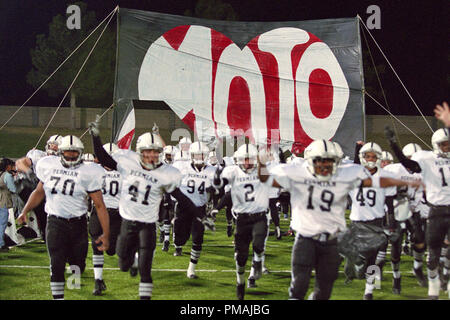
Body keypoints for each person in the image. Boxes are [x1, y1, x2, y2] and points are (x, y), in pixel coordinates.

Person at [258, 139, 422, 300]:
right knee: (298, 288)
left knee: (324, 292)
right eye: (319, 161)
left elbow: (374, 175)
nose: (324, 165)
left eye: (329, 161)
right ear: (309, 160)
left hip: (332, 242)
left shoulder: (348, 171)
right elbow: (266, 180)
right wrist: (262, 165)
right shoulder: (296, 171)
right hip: (306, 240)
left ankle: (369, 284)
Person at [89, 120, 198, 300]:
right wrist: (95, 136)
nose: (151, 156)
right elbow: (103, 157)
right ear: (139, 152)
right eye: (147, 152)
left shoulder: (165, 173)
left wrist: (201, 215)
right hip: (127, 220)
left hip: (147, 224)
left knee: (146, 271)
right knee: (122, 263)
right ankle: (131, 261)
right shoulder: (126, 164)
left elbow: (181, 197)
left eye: (155, 152)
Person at [17, 135, 110, 300]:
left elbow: (100, 205)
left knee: (77, 266)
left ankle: (73, 278)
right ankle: (58, 297)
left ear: (80, 153)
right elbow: (39, 192)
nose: (72, 155)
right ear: (60, 152)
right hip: (55, 222)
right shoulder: (48, 165)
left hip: (78, 223)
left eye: (75, 152)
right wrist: (25, 211)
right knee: (57, 263)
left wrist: (106, 233)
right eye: (68, 151)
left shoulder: (88, 171)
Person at [386, 126, 450, 299]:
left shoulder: (428, 162)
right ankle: (405, 280)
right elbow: (407, 165)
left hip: (424, 209)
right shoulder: (417, 162)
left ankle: (433, 275)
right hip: (412, 209)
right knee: (402, 247)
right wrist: (394, 146)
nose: (447, 148)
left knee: (432, 246)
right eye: (444, 145)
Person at [213, 143, 274, 300]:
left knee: (259, 245)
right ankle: (240, 283)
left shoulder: (263, 171)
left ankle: (257, 265)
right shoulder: (233, 171)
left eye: (250, 159)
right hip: (242, 218)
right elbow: (224, 188)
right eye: (244, 159)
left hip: (259, 216)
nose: (247, 163)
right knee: (241, 257)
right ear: (239, 160)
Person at [348, 142, 396, 300]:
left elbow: (389, 203)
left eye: (373, 156)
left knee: (374, 258)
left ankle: (369, 291)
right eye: (367, 156)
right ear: (362, 157)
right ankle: (366, 274)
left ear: (378, 158)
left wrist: (391, 224)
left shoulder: (385, 176)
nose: (370, 159)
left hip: (375, 221)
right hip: (357, 222)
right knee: (359, 266)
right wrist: (356, 149)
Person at [172, 141, 216, 278]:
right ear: (191, 155)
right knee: (181, 239)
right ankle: (177, 242)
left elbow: (217, 190)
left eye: (202, 155)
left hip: (200, 209)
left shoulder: (212, 171)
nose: (199, 157)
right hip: (183, 208)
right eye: (197, 155)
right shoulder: (181, 168)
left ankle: (191, 269)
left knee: (198, 238)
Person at [89, 143, 123, 296]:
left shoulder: (124, 172)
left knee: (111, 250)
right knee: (97, 245)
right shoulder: (94, 170)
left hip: (116, 214)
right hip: (98, 211)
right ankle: (98, 280)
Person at [15, 135, 63, 241]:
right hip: (37, 189)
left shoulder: (63, 161)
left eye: (55, 146)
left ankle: (46, 233)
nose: (52, 147)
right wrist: (30, 173)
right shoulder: (38, 155)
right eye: (51, 144)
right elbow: (19, 163)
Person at [0, 158, 14, 251]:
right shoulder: (7, 175)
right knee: (2, 223)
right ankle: (0, 244)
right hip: (3, 201)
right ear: (7, 166)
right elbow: (13, 189)